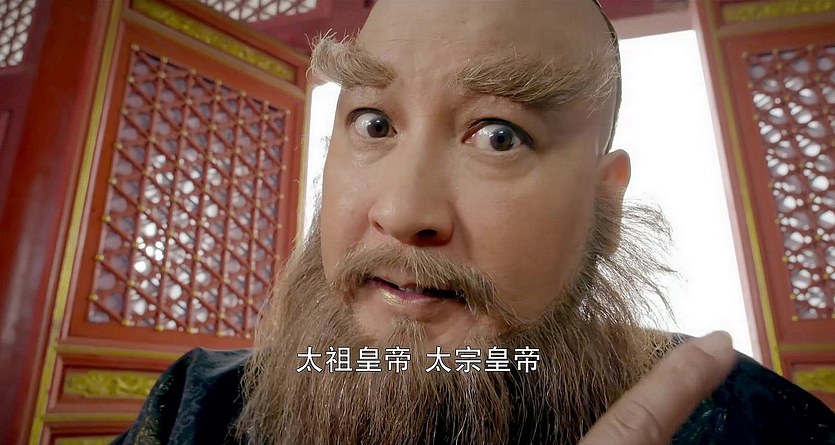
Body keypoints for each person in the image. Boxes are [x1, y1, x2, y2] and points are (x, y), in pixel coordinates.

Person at [112, 1, 835, 444]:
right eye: (373, 123)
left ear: (604, 208)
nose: (402, 213)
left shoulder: (735, 421)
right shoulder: (192, 410)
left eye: (499, 136)